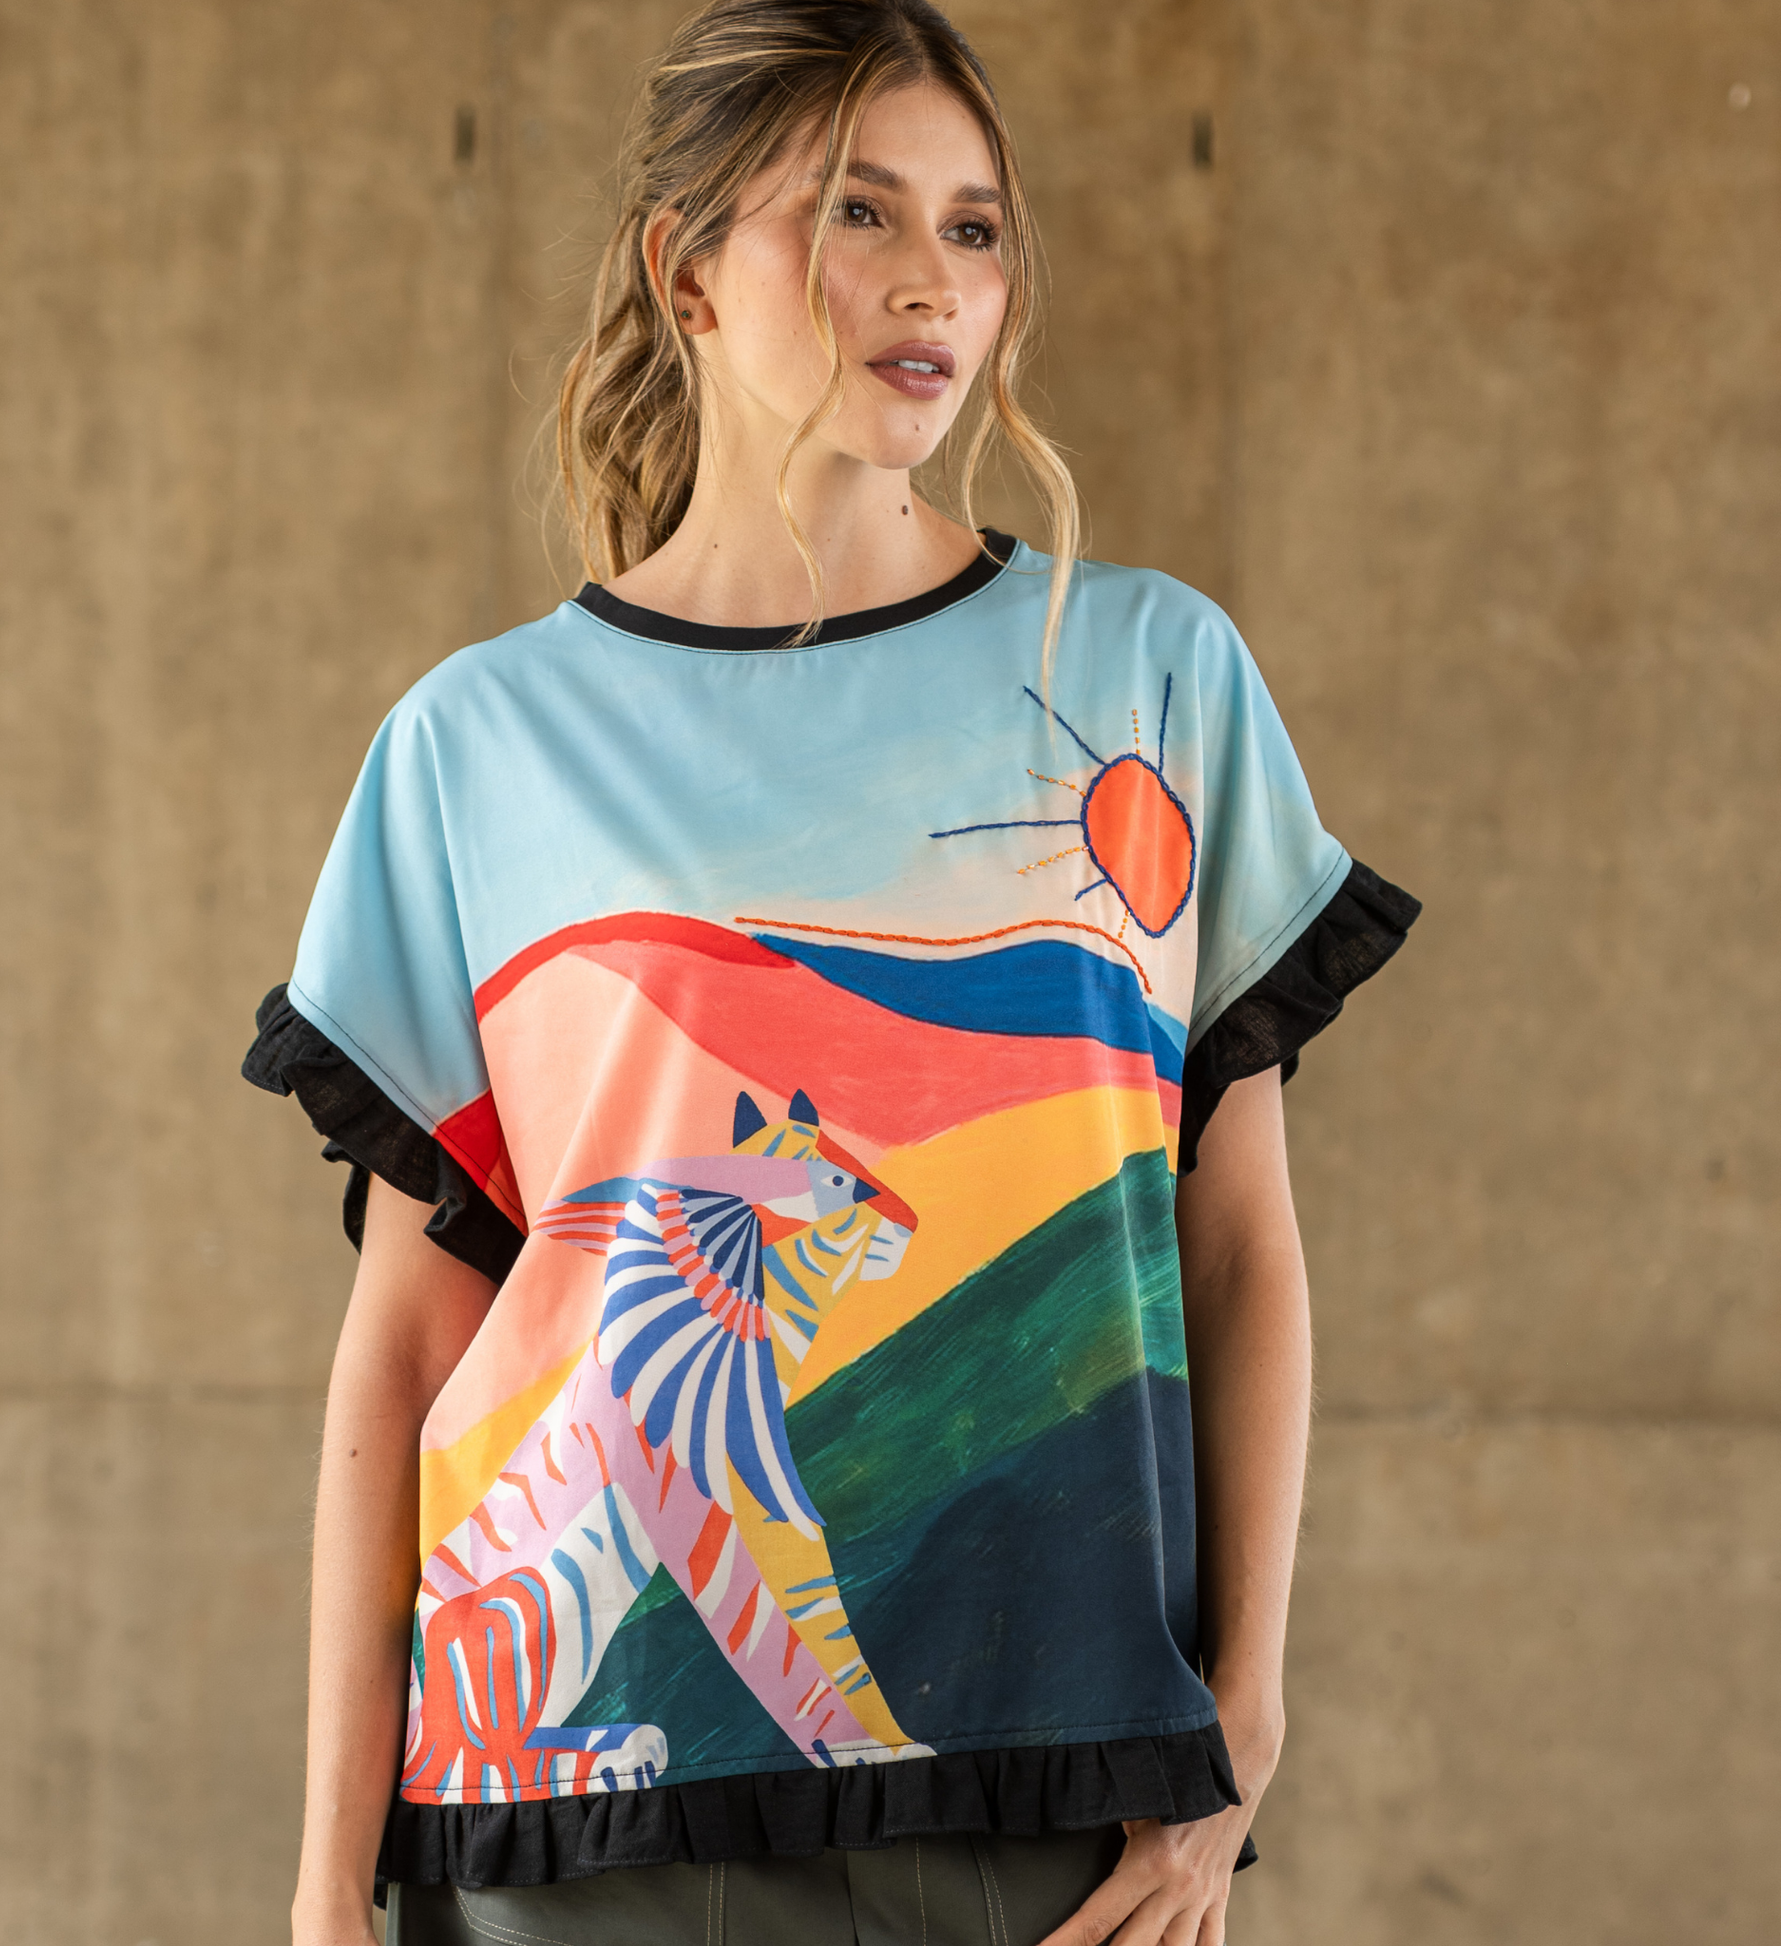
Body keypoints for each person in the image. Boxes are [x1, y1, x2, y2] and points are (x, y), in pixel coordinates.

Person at [245, 3, 1418, 1942]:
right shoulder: (477, 746)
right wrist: (321, 1881)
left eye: (973, 227)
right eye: (858, 211)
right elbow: (405, 1344)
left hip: (1050, 1788)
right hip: (571, 1828)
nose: (929, 280)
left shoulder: (1149, 679)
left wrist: (1243, 1717)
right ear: (685, 268)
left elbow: (1235, 1245)